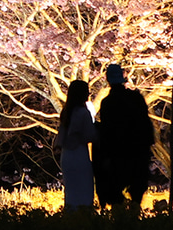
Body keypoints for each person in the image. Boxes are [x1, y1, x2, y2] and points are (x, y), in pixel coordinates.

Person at [93, 64, 155, 211]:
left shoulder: (107, 103)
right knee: (137, 189)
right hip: (138, 150)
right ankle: (135, 213)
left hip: (117, 153)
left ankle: (118, 215)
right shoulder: (136, 98)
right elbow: (145, 124)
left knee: (115, 190)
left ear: (107, 80)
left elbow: (107, 130)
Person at [57, 78, 98, 210]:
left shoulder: (66, 113)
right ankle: (82, 216)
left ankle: (70, 215)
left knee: (71, 191)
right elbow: (89, 135)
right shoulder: (83, 113)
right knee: (84, 189)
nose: (88, 94)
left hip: (66, 155)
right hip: (79, 154)